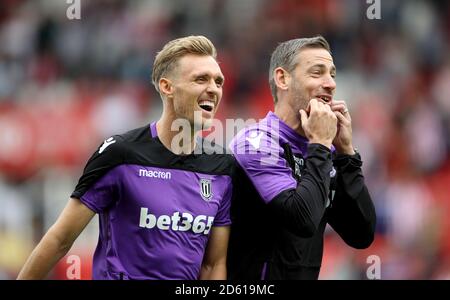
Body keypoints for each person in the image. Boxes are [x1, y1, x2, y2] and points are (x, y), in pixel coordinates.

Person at [17, 35, 234, 280]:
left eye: (218, 81)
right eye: (201, 79)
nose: (213, 89)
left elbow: (213, 264)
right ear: (167, 86)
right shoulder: (120, 154)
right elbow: (60, 240)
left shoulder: (221, 166)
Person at [227, 36, 376, 280]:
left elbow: (361, 233)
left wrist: (346, 153)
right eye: (317, 73)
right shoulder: (256, 143)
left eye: (332, 74)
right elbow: (302, 220)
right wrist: (319, 144)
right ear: (282, 78)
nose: (330, 83)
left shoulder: (324, 151)